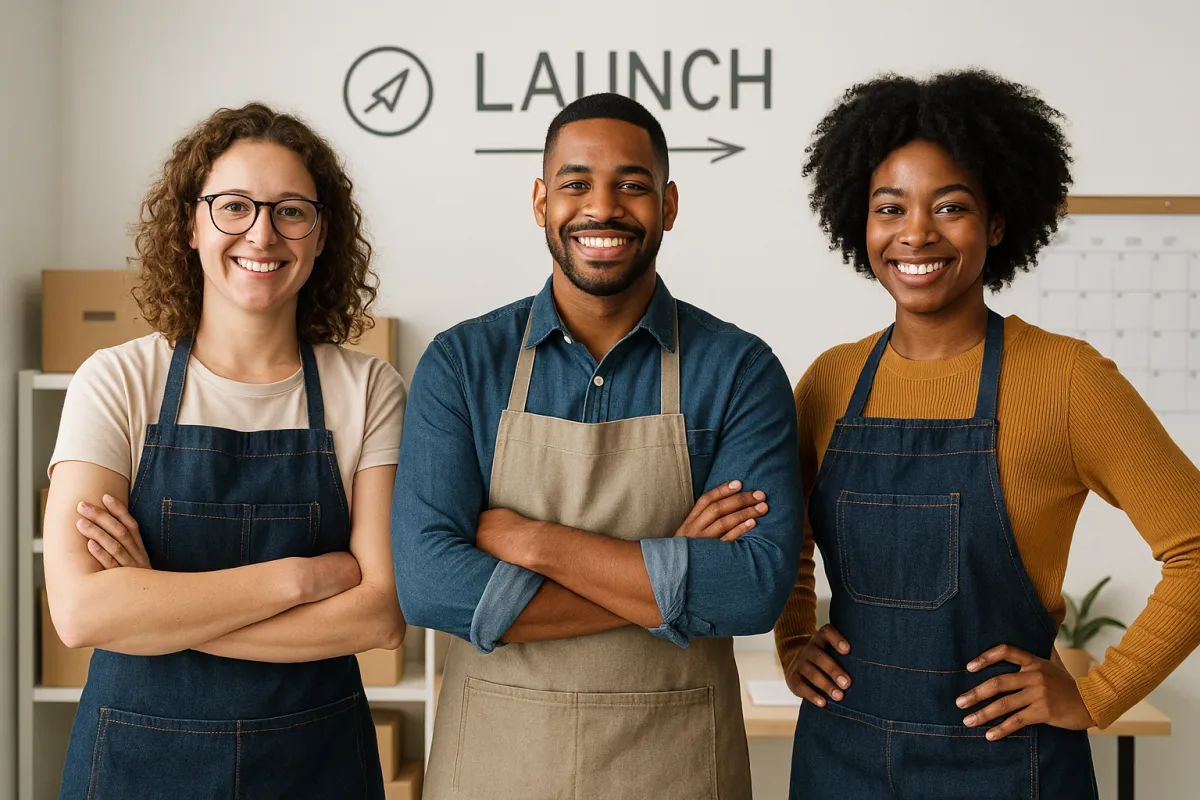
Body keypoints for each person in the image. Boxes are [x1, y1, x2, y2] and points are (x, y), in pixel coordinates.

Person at [775, 69, 1200, 799]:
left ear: (998, 223)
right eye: (889, 208)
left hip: (1009, 766)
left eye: (950, 206)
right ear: (860, 223)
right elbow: (785, 537)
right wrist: (790, 643)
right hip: (839, 757)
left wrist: (1096, 694)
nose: (916, 233)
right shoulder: (830, 381)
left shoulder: (1067, 380)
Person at [392, 92, 802, 800]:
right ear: (540, 201)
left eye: (631, 185)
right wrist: (667, 581)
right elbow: (428, 585)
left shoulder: (739, 369)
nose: (602, 207)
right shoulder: (462, 363)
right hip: (495, 768)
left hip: (675, 769)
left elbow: (753, 589)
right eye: (577, 184)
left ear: (669, 204)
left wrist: (531, 540)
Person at [44, 103, 406, 799]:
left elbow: (380, 615)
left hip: (316, 763)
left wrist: (157, 611)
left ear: (323, 232)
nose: (262, 234)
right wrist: (299, 582)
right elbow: (83, 613)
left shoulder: (368, 388)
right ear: (189, 223)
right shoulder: (117, 381)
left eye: (291, 210)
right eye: (233, 206)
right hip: (136, 765)